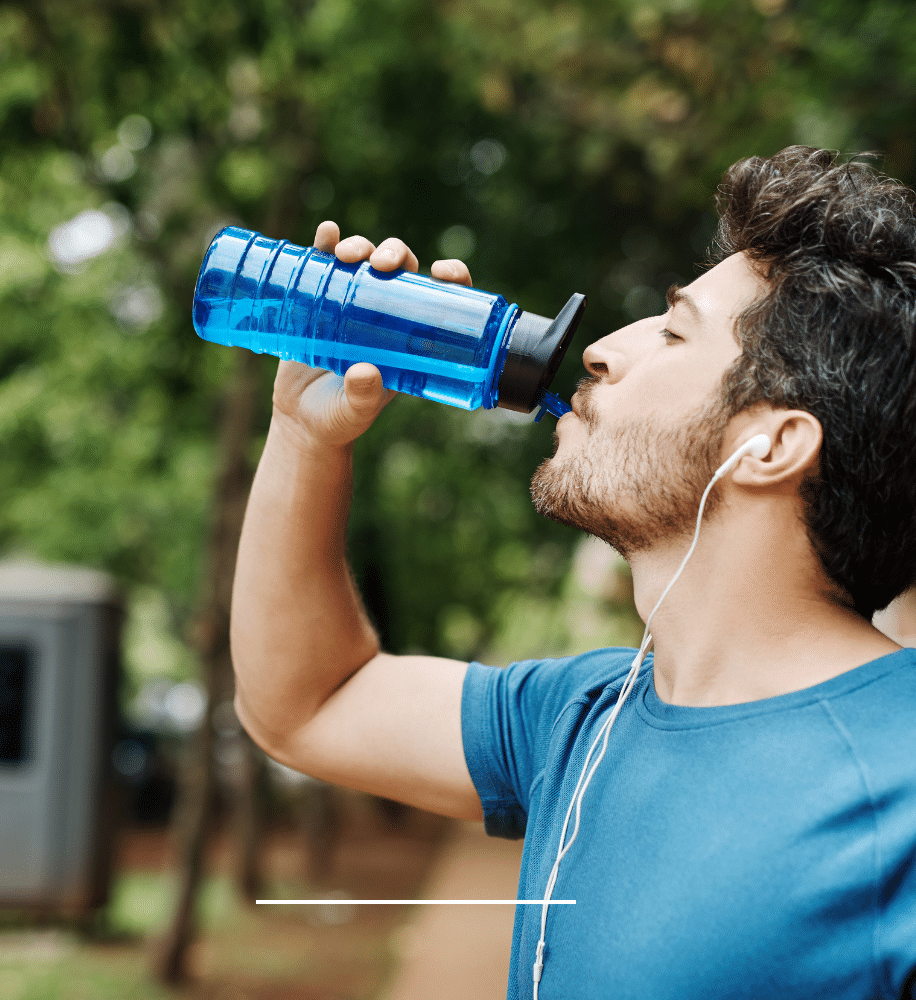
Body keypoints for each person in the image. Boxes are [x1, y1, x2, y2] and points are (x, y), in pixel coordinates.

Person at [229, 146, 916, 999]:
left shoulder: (899, 778)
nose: (598, 353)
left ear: (768, 446)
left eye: (672, 331)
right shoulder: (585, 718)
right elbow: (306, 703)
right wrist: (305, 435)